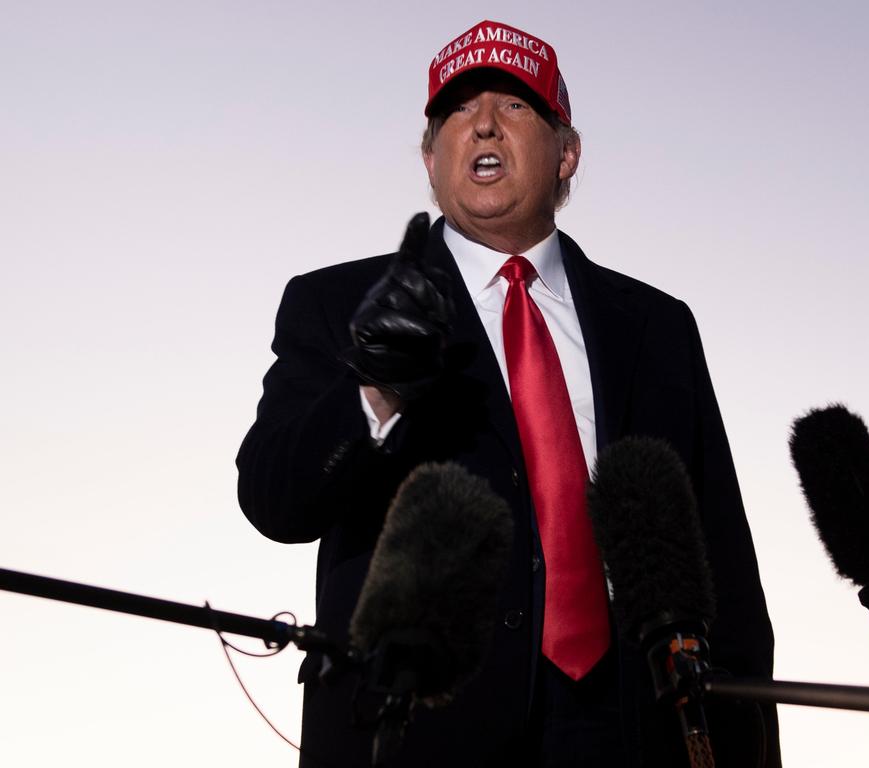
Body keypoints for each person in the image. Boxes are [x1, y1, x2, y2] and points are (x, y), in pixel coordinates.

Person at [237, 19, 780, 768]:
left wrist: (747, 744)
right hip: (418, 732)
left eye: (515, 105)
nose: (484, 121)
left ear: (567, 153)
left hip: (632, 725)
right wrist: (375, 391)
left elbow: (724, 560)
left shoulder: (658, 326)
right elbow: (274, 499)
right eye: (457, 110)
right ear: (431, 158)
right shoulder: (339, 302)